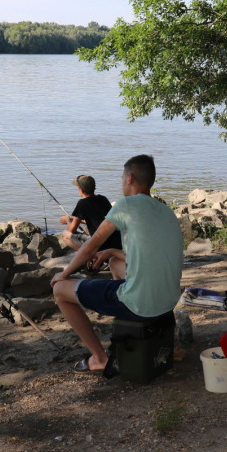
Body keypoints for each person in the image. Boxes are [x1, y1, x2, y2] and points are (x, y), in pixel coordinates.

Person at [50, 155, 184, 374]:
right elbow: (149, 255)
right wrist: (112, 251)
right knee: (114, 262)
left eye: (122, 177)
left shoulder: (126, 204)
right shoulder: (165, 212)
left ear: (129, 178)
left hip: (142, 304)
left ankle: (100, 358)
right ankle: (126, 327)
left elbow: (90, 247)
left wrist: (64, 274)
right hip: (167, 301)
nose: (122, 181)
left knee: (59, 291)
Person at [59, 174, 122, 254]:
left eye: (78, 187)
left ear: (81, 190)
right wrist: (76, 220)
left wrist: (68, 220)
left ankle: (90, 254)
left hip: (100, 245)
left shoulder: (82, 203)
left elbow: (71, 230)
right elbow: (99, 220)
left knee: (65, 236)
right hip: (116, 242)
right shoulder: (103, 199)